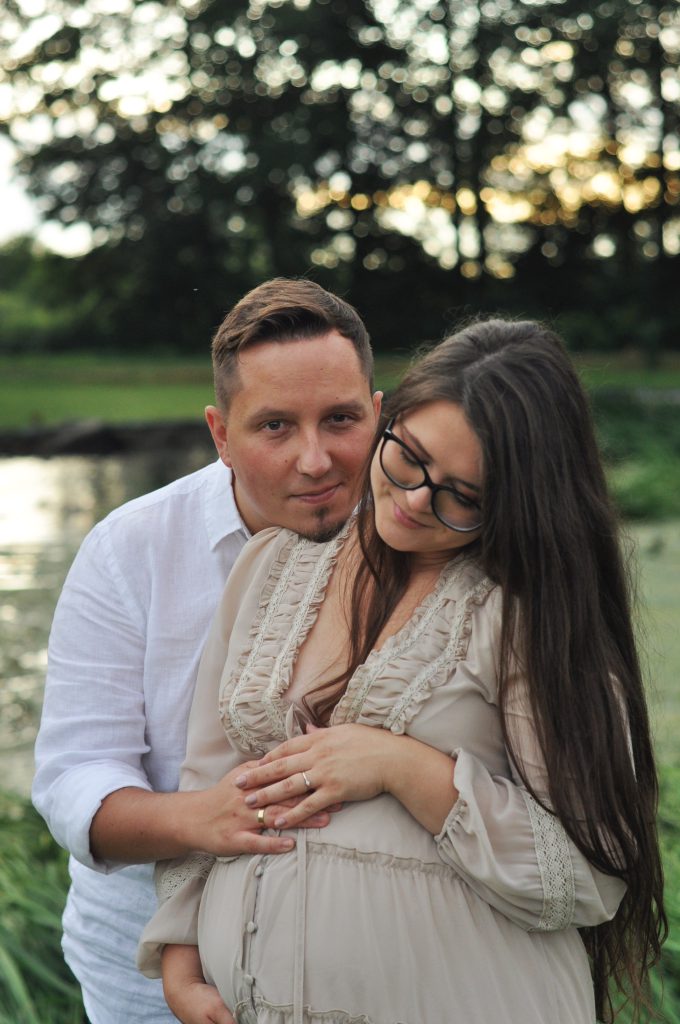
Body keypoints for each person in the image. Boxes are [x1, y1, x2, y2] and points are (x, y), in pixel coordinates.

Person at [138, 318, 666, 1024]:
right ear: (387, 421)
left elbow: (591, 877)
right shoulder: (271, 569)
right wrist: (182, 963)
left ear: (518, 505)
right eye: (409, 458)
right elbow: (208, 784)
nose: (416, 499)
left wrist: (402, 767)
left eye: (463, 495)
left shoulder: (528, 618)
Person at [32, 277, 382, 1024]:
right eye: (275, 426)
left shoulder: (424, 533)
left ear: (378, 413)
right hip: (148, 980)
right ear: (221, 435)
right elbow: (74, 776)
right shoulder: (129, 550)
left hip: (366, 965)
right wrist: (205, 818)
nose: (315, 460)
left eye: (341, 419)